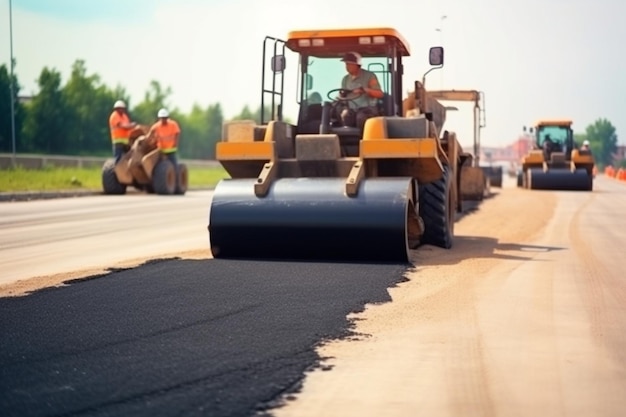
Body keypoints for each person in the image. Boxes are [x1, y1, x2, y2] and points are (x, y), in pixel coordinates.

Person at [338, 52, 384, 131]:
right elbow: (341, 95)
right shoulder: (345, 79)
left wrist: (365, 90)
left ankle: (363, 140)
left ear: (357, 65)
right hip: (351, 109)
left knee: (361, 117)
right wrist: (341, 95)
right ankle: (346, 140)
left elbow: (380, 94)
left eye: (349, 64)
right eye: (346, 64)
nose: (347, 67)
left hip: (368, 109)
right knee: (344, 115)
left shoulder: (369, 76)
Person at [149, 108, 181, 172]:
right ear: (159, 118)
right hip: (160, 150)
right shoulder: (156, 126)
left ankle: (176, 180)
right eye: (162, 118)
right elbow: (150, 134)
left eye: (165, 118)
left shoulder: (173, 124)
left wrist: (176, 143)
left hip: (171, 149)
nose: (163, 120)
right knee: (159, 166)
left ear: (167, 118)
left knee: (174, 166)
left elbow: (177, 133)